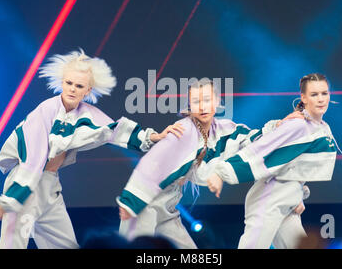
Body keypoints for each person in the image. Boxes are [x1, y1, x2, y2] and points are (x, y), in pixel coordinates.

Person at [0, 49, 183, 249]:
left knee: (66, 245)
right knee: (13, 244)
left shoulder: (89, 115)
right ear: (62, 82)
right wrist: (11, 200)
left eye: (79, 85)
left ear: (87, 90)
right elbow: (31, 159)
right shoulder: (46, 110)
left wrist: (155, 136)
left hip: (50, 186)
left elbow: (116, 130)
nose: (72, 89)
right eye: (69, 83)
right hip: (27, 183)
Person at [117, 78, 302, 248]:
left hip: (168, 209)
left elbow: (253, 140)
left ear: (217, 102)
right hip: (145, 204)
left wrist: (278, 127)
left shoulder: (224, 129)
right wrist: (130, 202)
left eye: (206, 100)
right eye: (196, 102)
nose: (202, 106)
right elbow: (151, 165)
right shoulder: (183, 132)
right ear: (190, 106)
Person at [207, 73, 342, 249]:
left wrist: (297, 193)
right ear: (303, 97)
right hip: (269, 200)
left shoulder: (318, 126)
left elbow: (293, 167)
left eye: (324, 93)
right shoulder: (298, 125)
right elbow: (260, 150)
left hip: (285, 201)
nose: (320, 99)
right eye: (314, 94)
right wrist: (221, 173)